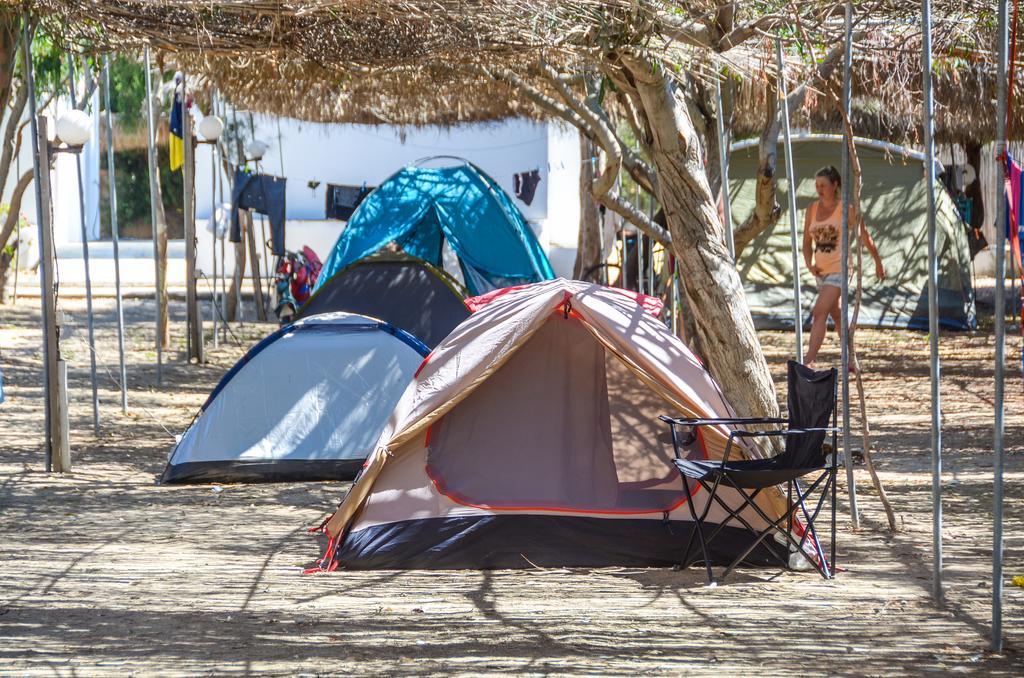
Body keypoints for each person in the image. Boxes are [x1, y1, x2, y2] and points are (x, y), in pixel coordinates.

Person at [802, 165, 885, 366]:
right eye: (817, 185)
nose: (819, 189)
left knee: (819, 312)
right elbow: (806, 242)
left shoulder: (846, 209)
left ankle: (807, 361)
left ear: (835, 185)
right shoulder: (812, 209)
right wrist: (809, 264)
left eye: (823, 185)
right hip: (821, 273)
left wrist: (877, 261)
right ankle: (850, 360)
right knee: (837, 317)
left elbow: (863, 236)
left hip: (840, 270)